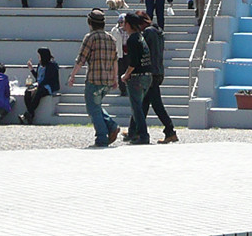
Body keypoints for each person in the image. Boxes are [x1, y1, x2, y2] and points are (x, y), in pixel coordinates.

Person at [68, 9, 121, 146]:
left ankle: (102, 137)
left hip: (94, 79)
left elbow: (81, 59)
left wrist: (72, 75)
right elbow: (115, 60)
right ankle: (111, 126)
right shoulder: (111, 38)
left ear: (89, 23)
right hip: (108, 81)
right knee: (96, 106)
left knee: (92, 108)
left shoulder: (90, 38)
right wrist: (115, 79)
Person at [139, 15, 178, 143]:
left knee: (155, 105)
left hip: (151, 72)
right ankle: (136, 130)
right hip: (158, 71)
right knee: (144, 103)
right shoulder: (158, 32)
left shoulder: (148, 33)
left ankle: (170, 130)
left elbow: (145, 51)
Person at [120, 11, 154, 144]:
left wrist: (126, 74)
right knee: (138, 105)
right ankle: (133, 132)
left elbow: (133, 62)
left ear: (128, 24)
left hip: (137, 77)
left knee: (137, 108)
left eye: (124, 23)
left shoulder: (132, 39)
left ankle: (143, 135)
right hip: (147, 75)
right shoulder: (141, 37)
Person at [20, 49, 60, 124]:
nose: (38, 57)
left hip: (48, 86)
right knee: (27, 92)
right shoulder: (40, 65)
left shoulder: (52, 65)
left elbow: (47, 79)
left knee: (38, 93)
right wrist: (31, 69)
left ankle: (26, 115)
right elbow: (38, 78)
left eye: (39, 55)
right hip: (39, 84)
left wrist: (36, 88)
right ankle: (30, 114)